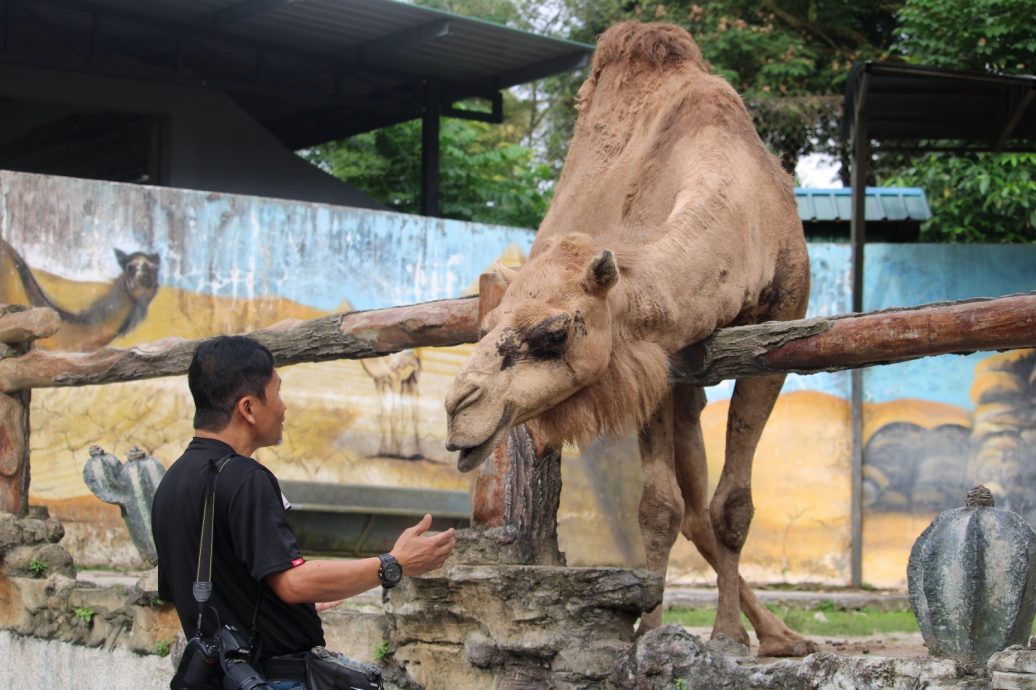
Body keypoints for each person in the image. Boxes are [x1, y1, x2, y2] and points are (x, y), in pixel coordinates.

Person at [152, 335, 456, 689]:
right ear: (248, 408)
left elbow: (208, 592)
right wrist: (394, 564)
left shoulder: (171, 483)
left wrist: (275, 613)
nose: (283, 407)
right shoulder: (246, 479)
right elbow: (293, 584)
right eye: (277, 393)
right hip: (271, 679)